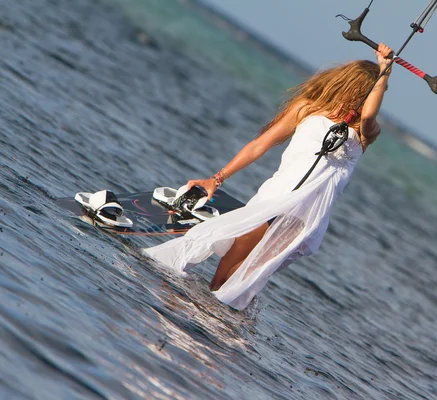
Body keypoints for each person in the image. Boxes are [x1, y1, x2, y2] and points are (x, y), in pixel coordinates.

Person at [144, 43, 394, 310]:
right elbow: (259, 145)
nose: (372, 103)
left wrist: (385, 72)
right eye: (370, 94)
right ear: (353, 89)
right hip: (274, 198)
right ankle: (188, 317)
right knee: (223, 274)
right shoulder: (306, 109)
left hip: (303, 217)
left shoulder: (365, 134)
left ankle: (222, 330)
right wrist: (216, 179)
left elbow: (368, 116)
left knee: (245, 278)